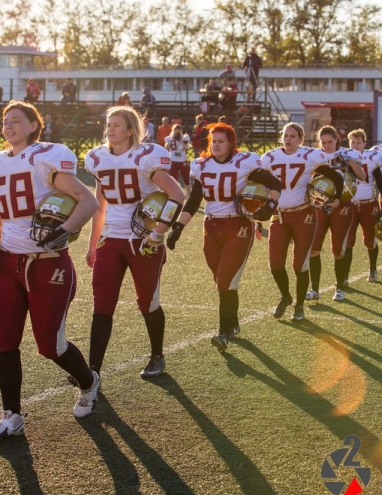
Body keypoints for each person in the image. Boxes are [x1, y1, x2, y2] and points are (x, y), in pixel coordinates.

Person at [0, 100, 101, 441]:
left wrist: (64, 231)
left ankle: (89, 381)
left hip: (48, 265)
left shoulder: (42, 158)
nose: (9, 125)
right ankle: (11, 417)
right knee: (4, 340)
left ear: (35, 126)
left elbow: (88, 200)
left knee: (49, 345)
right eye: (6, 121)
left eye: (17, 120)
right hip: (8, 263)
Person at [82, 106, 185, 379]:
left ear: (130, 130)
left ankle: (157, 356)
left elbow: (176, 194)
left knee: (147, 302)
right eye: (108, 124)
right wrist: (93, 244)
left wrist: (159, 232)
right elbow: (99, 207)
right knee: (101, 304)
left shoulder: (144, 158)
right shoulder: (99, 159)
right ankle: (93, 371)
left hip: (143, 241)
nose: (110, 129)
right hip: (111, 240)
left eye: (117, 124)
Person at [166, 122, 281, 352]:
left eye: (221, 141)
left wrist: (270, 204)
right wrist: (178, 227)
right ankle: (234, 323)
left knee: (226, 279)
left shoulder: (244, 163)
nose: (216, 144)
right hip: (211, 227)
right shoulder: (202, 165)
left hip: (238, 226)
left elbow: (274, 183)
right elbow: (194, 199)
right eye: (213, 141)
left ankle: (223, 332)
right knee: (222, 283)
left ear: (231, 143)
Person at [261, 122, 344, 322]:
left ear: (300, 138)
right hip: (279, 215)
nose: (288, 138)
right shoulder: (270, 157)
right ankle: (286, 296)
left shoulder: (309, 156)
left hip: (303, 214)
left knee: (300, 263)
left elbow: (337, 178)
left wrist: (337, 199)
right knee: (275, 263)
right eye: (285, 135)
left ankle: (299, 305)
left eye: (292, 135)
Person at [305, 125, 365, 302]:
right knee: (314, 247)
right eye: (323, 142)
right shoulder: (315, 156)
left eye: (330, 141)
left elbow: (362, 176)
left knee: (338, 248)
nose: (327, 145)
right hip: (320, 203)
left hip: (342, 204)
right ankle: (314, 288)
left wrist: (349, 161)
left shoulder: (349, 153)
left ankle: (339, 288)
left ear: (337, 139)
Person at [343, 128, 382, 284]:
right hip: (351, 204)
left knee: (370, 240)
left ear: (364, 144)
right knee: (348, 240)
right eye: (353, 142)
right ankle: (344, 275)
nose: (356, 145)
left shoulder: (372, 158)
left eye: (359, 142)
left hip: (368, 204)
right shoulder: (344, 157)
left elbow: (380, 181)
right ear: (349, 143)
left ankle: (373, 269)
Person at [165, 123, 191, 195]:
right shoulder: (169, 138)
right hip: (173, 161)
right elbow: (166, 147)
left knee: (186, 179)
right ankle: (175, 194)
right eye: (175, 132)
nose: (177, 133)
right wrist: (173, 137)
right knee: (174, 180)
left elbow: (186, 147)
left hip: (183, 161)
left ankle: (189, 195)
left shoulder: (185, 137)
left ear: (181, 131)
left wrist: (181, 139)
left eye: (178, 132)